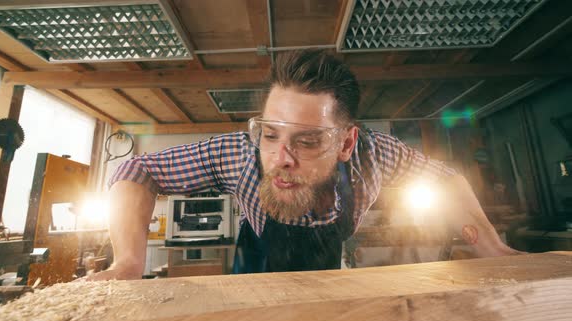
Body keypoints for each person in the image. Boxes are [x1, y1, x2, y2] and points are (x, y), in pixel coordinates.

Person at [86, 50, 521, 281]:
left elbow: (446, 180)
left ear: (347, 142)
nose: (281, 159)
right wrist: (127, 262)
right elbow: (135, 171)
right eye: (271, 135)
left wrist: (495, 253)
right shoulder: (240, 153)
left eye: (308, 142)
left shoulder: (378, 155)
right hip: (253, 271)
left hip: (330, 274)